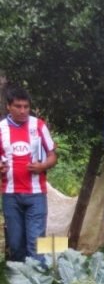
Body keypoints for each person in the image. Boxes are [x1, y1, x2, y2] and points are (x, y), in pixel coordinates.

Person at [0, 86, 57, 263]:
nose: (23, 110)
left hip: (36, 194)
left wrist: (43, 166)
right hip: (10, 194)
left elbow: (53, 155)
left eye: (26, 106)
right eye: (18, 106)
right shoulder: (1, 129)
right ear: (9, 106)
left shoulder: (38, 125)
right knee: (16, 244)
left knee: (37, 244)